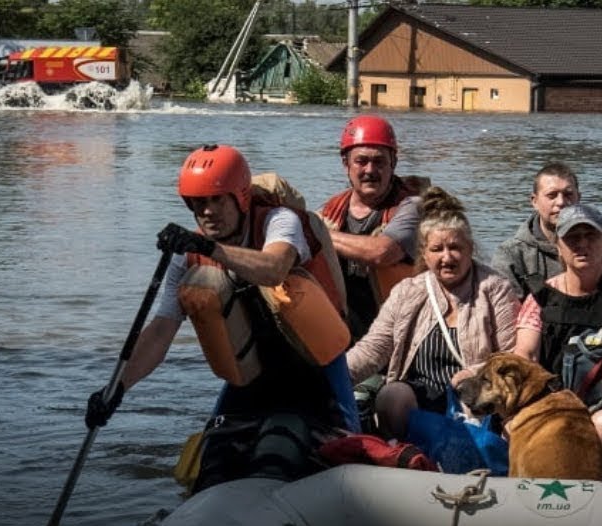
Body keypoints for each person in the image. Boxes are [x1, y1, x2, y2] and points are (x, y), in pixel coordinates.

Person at [84, 144, 353, 490]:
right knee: (213, 470)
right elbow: (161, 331)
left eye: (217, 201)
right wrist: (116, 387)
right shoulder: (189, 257)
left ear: (240, 198)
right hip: (252, 379)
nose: (207, 212)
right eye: (197, 204)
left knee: (277, 457)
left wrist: (211, 249)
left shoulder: (279, 221)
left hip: (316, 377)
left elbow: (273, 269)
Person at [347, 188, 519, 440]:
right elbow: (374, 348)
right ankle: (404, 455)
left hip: (477, 398)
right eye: (437, 249)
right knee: (390, 395)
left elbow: (511, 356)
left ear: (470, 248)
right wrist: (333, 376)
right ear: (424, 255)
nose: (447, 257)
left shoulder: (495, 288)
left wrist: (475, 373)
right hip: (421, 398)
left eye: (455, 247)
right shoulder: (407, 291)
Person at [513, 203, 602, 459]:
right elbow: (525, 354)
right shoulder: (541, 297)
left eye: (591, 235)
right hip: (553, 398)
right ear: (558, 247)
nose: (582, 244)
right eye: (572, 237)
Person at [318, 115, 427, 339]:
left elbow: (381, 253)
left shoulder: (413, 207)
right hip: (344, 335)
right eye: (361, 161)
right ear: (345, 164)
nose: (370, 170)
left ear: (393, 164)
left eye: (379, 161)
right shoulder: (329, 213)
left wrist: (315, 233)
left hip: (400, 336)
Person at [491, 163, 602, 299]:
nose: (561, 202)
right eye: (552, 195)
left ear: (579, 197)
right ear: (534, 201)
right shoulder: (511, 255)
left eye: (568, 194)